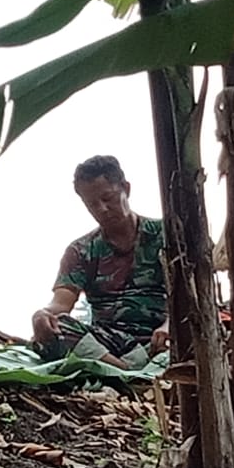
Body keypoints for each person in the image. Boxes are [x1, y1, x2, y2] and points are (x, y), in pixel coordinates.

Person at [30, 155, 169, 369]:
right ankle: (122, 371)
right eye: (92, 204)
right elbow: (60, 304)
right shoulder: (81, 250)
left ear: (126, 189)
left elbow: (194, 296)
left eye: (108, 198)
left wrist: (169, 327)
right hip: (105, 342)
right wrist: (43, 316)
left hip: (159, 338)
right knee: (55, 332)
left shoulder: (166, 235)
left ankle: (112, 370)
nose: (102, 209)